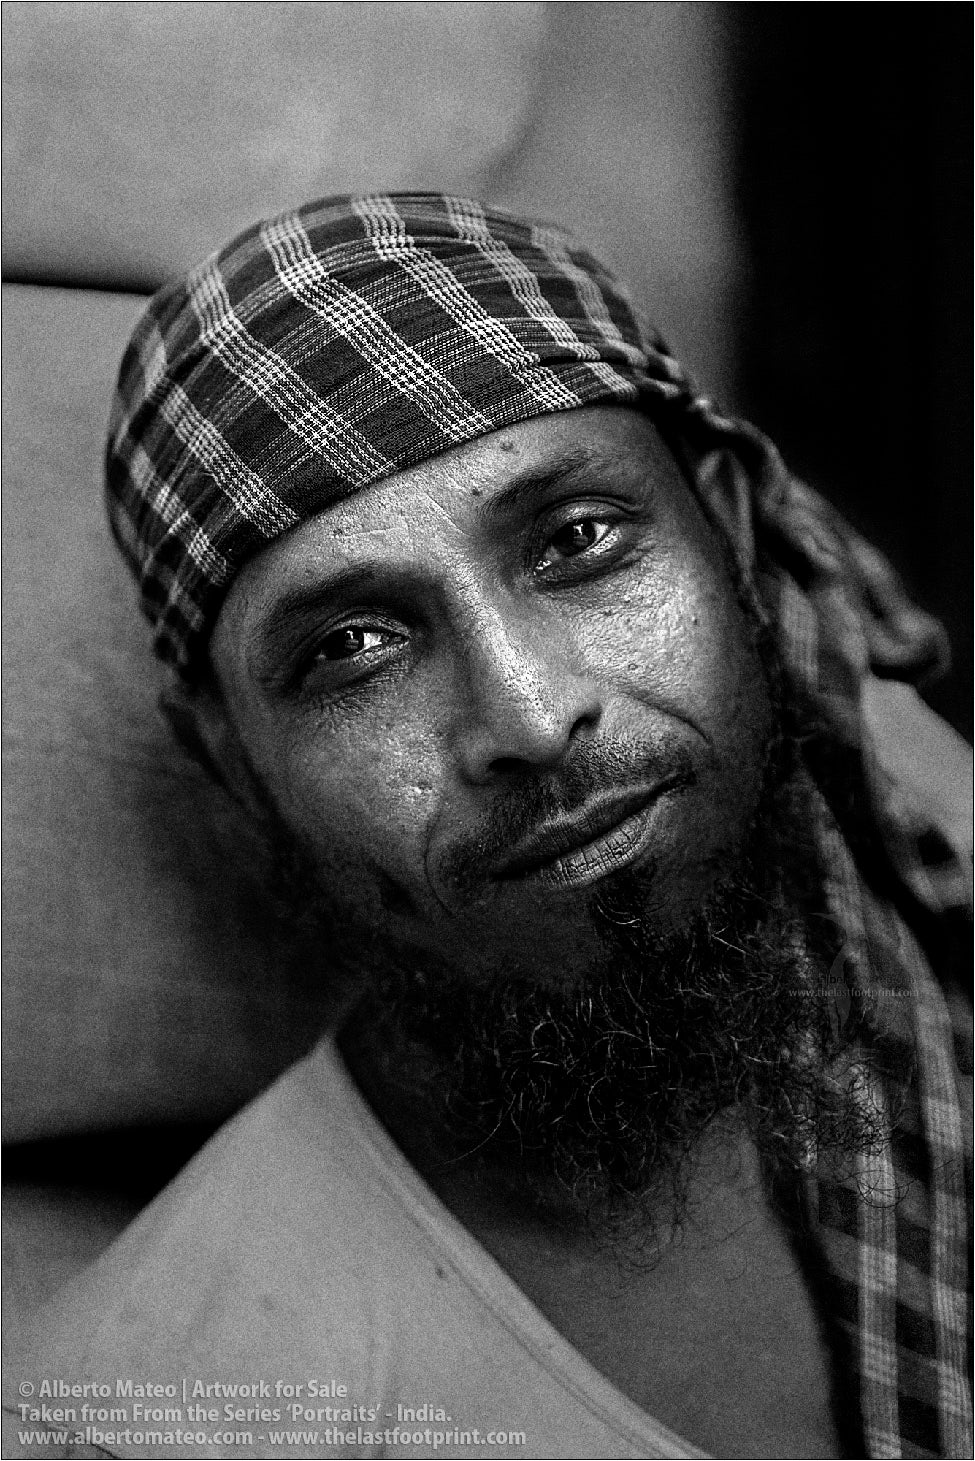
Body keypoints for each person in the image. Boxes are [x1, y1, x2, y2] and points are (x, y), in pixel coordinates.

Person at [12, 194, 971, 1461]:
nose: (525, 715)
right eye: (353, 647)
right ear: (231, 760)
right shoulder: (161, 1404)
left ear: (729, 529)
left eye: (578, 541)